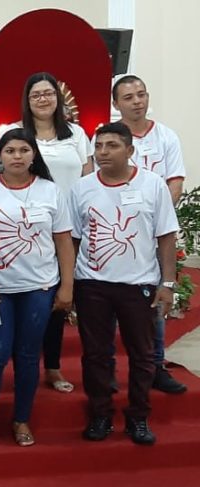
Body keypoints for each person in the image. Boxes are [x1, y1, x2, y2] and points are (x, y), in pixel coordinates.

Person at [0, 128, 74, 448]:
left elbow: (64, 242)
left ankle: (21, 418)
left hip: (39, 287)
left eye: (24, 150)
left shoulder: (50, 191)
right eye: (10, 150)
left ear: (33, 155)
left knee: (28, 355)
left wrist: (67, 286)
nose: (17, 156)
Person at [72, 122, 178, 445]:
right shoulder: (81, 188)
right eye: (99, 145)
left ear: (130, 151)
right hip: (92, 284)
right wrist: (68, 287)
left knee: (143, 354)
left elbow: (166, 237)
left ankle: (139, 417)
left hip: (139, 285)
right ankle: (101, 413)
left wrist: (168, 283)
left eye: (112, 145)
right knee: (95, 355)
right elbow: (73, 240)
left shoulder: (153, 185)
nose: (103, 152)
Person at [0, 72, 93, 394]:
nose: (43, 99)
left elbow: (87, 179)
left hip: (66, 226)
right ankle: (13, 367)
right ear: (27, 99)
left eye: (48, 93)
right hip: (22, 228)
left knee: (56, 298)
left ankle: (51, 366)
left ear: (58, 97)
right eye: (36, 94)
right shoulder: (12, 133)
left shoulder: (76, 134)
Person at [113, 74, 188, 394]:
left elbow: (175, 182)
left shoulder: (166, 137)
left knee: (156, 297)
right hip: (117, 231)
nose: (137, 101)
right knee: (114, 302)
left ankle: (156, 365)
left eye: (141, 94)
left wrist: (157, 216)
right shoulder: (107, 136)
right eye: (128, 97)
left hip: (155, 230)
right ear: (117, 104)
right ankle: (112, 369)